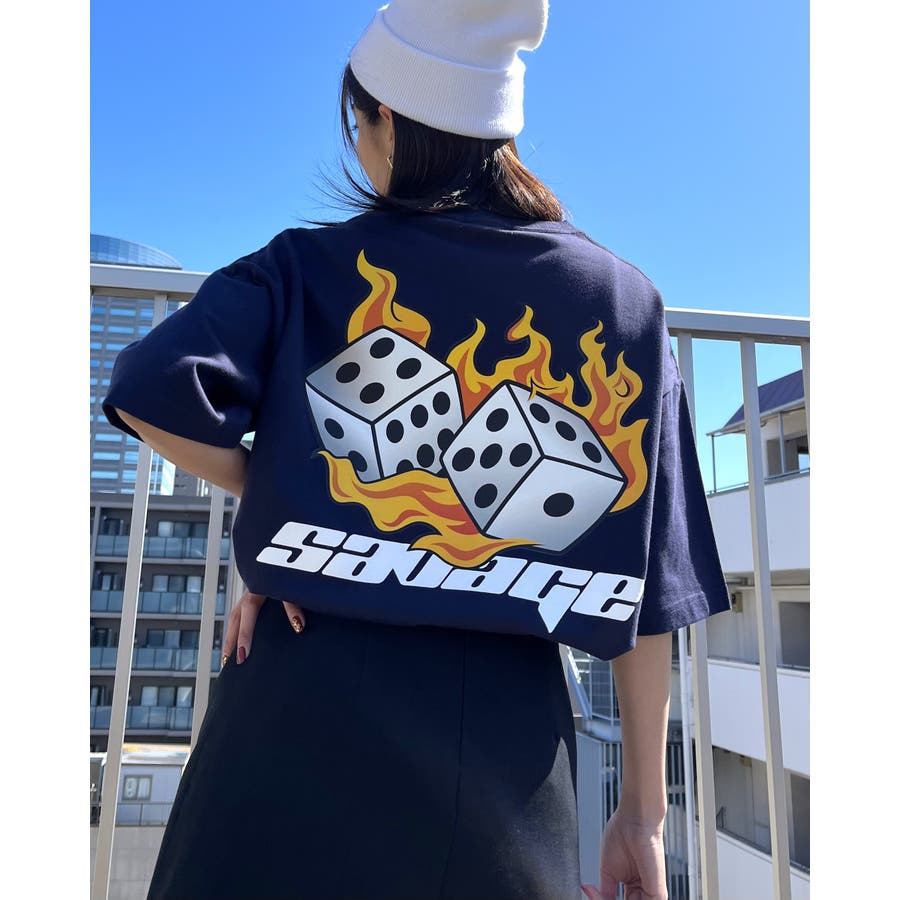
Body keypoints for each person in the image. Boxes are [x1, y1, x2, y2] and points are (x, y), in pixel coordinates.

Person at [102, 2, 732, 898]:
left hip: (294, 702)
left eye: (358, 125)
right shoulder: (625, 304)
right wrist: (642, 815)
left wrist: (287, 499)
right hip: (506, 755)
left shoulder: (308, 265)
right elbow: (653, 587)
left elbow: (148, 391)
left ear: (388, 120)